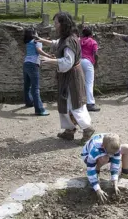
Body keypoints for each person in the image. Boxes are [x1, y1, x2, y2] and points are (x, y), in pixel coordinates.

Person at [35, 12, 95, 143]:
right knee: (64, 103)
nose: (55, 25)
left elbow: (68, 62)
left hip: (72, 76)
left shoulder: (69, 40)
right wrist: (45, 41)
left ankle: (87, 128)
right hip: (67, 76)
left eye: (56, 23)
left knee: (75, 103)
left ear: (63, 24)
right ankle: (69, 130)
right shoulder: (67, 37)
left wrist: (50, 61)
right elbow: (58, 44)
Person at [81, 133, 128, 203]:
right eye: (111, 153)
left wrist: (115, 183)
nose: (112, 155)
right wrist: (97, 189)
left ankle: (125, 172)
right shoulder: (95, 150)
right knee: (105, 158)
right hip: (87, 156)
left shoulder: (114, 147)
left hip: (105, 151)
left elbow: (115, 164)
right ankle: (97, 171)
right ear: (103, 146)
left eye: (114, 153)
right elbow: (90, 170)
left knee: (127, 148)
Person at [22, 27, 51, 116]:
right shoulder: (36, 41)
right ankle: (39, 109)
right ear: (34, 34)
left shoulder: (28, 42)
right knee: (35, 88)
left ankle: (29, 102)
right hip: (33, 64)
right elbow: (39, 51)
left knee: (27, 85)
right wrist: (48, 55)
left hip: (26, 63)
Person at [80, 26, 100, 112]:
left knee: (81, 82)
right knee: (89, 83)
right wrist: (96, 63)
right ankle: (90, 103)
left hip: (79, 61)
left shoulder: (79, 40)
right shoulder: (93, 42)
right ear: (91, 34)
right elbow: (96, 54)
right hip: (88, 62)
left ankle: (81, 101)